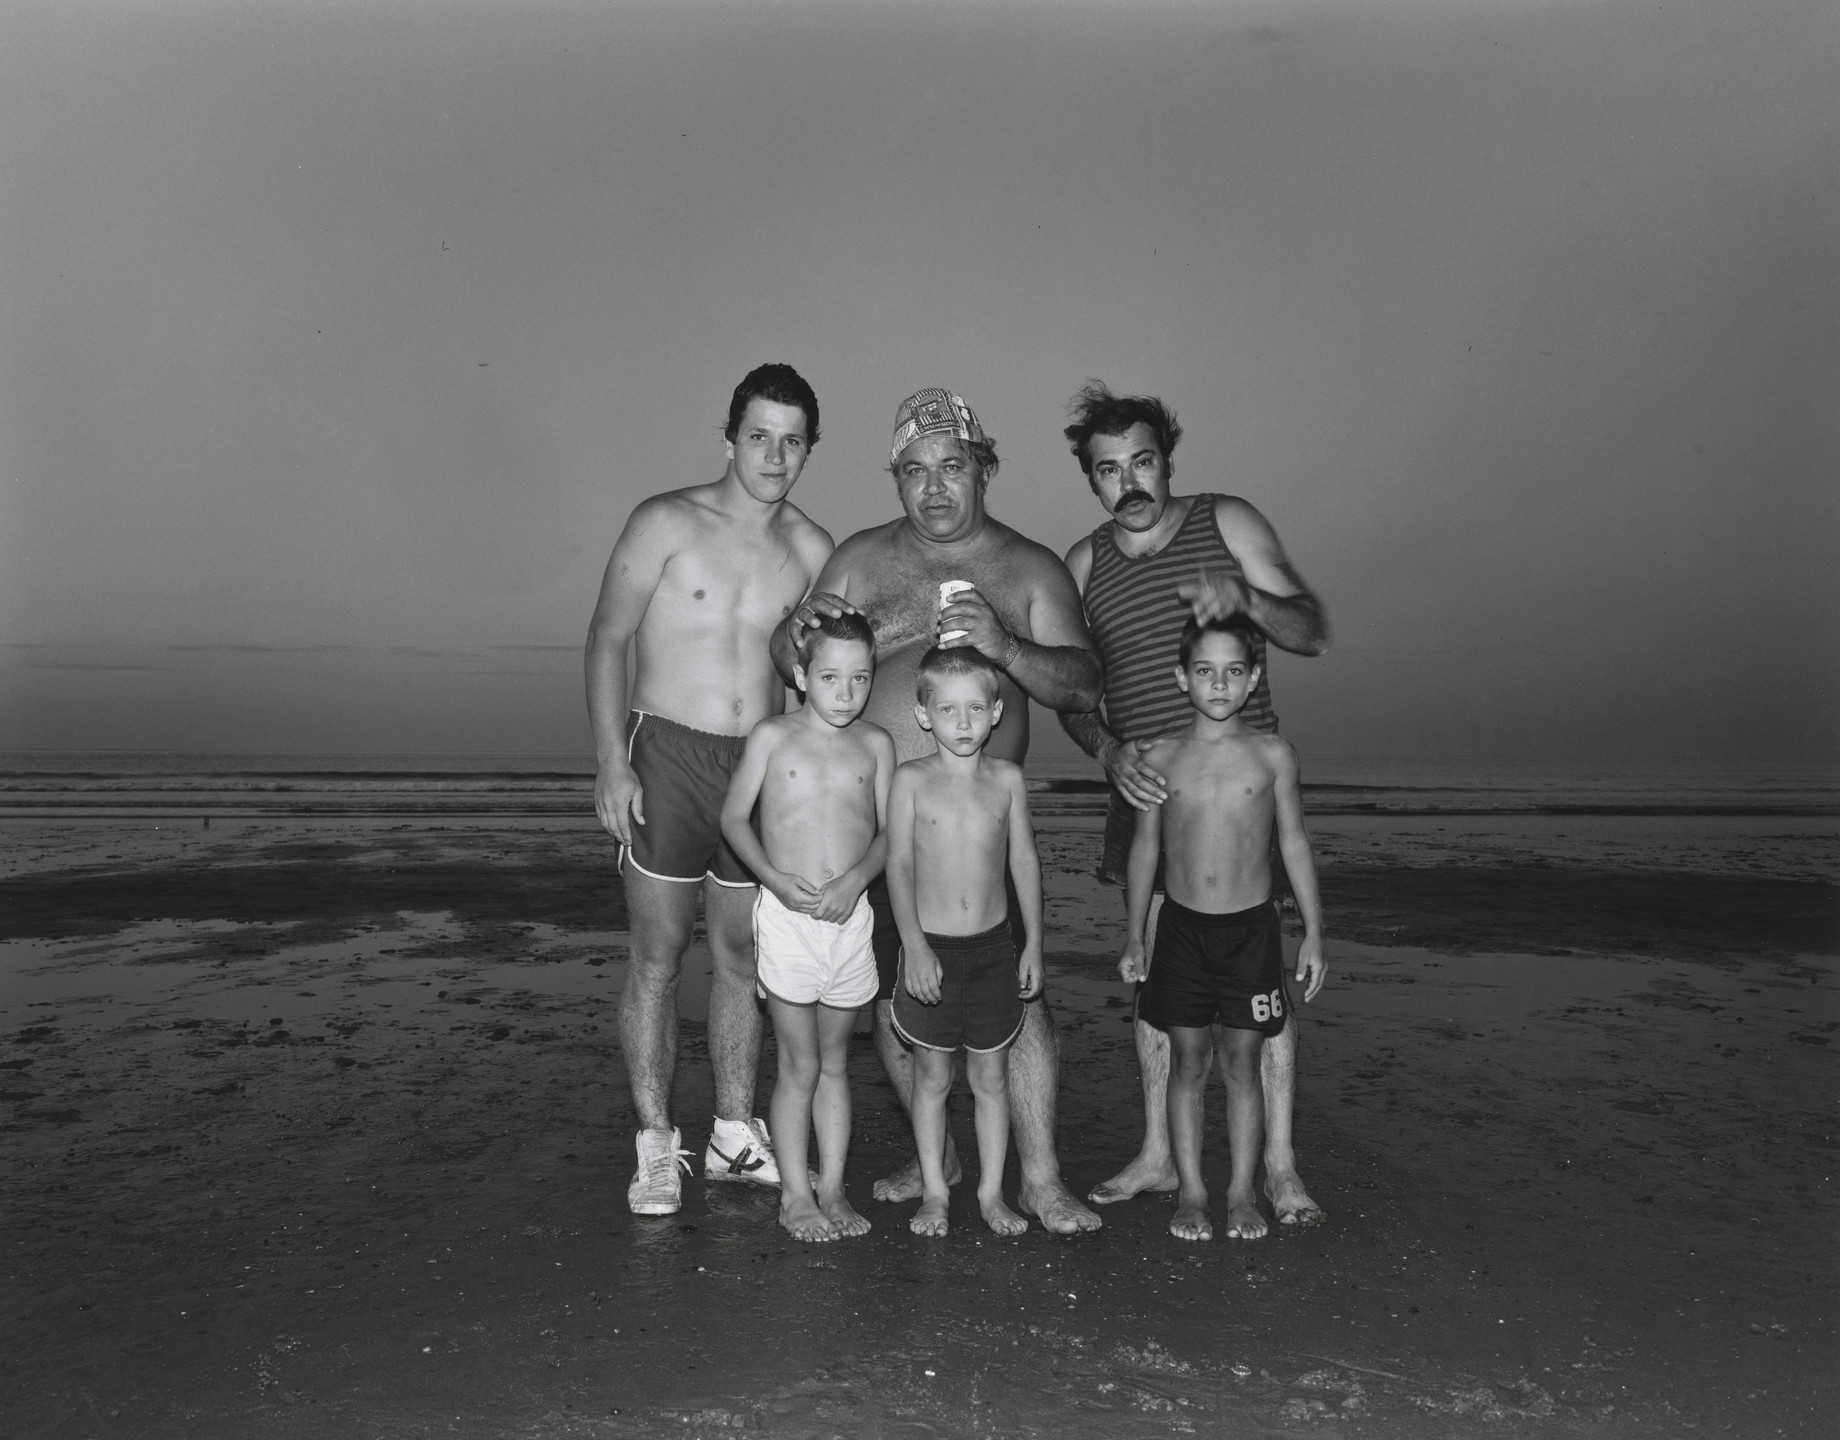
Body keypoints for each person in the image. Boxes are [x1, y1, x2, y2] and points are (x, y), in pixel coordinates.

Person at [771, 387, 1105, 1235]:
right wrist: (789, 632)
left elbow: (1084, 682)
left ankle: (1041, 1177)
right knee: (891, 998)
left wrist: (1007, 646)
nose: (933, 489)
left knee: (1018, 1008)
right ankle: (943, 1162)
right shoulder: (858, 558)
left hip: (980, 830)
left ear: (982, 468)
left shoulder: (1029, 569)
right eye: (913, 472)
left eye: (951, 467)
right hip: (871, 830)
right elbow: (794, 653)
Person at [1058, 382, 1331, 1225]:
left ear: (1166, 462)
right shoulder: (1083, 564)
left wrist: (1245, 600)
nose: (1128, 481)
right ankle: (1158, 1156)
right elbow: (1071, 694)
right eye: (1108, 470)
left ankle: (1279, 1168)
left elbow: (1310, 627)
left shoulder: (1228, 522)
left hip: (1243, 791)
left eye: (1142, 461)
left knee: (1260, 978)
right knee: (1155, 981)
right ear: (1093, 481)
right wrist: (1107, 753)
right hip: (1145, 791)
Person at [585, 363, 834, 1216]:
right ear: (729, 437)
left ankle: (734, 1133)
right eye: (759, 435)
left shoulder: (811, 549)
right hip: (666, 757)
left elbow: (819, 679)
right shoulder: (665, 521)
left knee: (741, 960)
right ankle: (656, 1144)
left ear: (808, 450)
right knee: (657, 958)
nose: (774, 454)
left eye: (792, 441)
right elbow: (606, 639)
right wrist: (611, 762)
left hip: (757, 767)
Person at [1117, 616, 1327, 1241]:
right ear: (1182, 678)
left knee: (1242, 1061)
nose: (1219, 683)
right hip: (1180, 930)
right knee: (1186, 1060)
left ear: (1253, 677)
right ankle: (1192, 1193)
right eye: (1204, 671)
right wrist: (1135, 935)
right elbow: (1145, 852)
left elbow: (1293, 842)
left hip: (1251, 933)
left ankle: (1241, 1193)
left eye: (1234, 671)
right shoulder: (1160, 756)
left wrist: (1313, 930)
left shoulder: (1273, 754)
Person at [719, 610, 895, 1243]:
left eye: (859, 678)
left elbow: (887, 833)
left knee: (836, 1063)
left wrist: (855, 881)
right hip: (789, 922)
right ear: (800, 674)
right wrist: (770, 876)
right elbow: (734, 819)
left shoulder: (876, 744)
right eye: (829, 677)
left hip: (850, 922)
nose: (845, 694)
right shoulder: (772, 736)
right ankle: (796, 1195)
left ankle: (835, 1186)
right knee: (799, 1064)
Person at [888, 646, 1044, 1237]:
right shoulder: (910, 780)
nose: (962, 723)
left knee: (991, 1080)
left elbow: (1025, 862)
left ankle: (989, 1194)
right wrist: (914, 947)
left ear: (996, 712)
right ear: (924, 714)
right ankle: (935, 1191)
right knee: (932, 1078)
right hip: (930, 948)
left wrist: (1033, 946)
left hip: (993, 951)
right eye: (947, 709)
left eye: (975, 708)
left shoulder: (1007, 779)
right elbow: (898, 866)